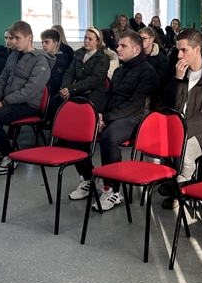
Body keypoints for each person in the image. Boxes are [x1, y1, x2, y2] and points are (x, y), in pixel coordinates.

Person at [68, 32, 158, 211]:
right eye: (118, 45)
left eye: (123, 46)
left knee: (109, 137)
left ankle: (112, 189)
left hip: (137, 118)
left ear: (136, 49)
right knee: (76, 131)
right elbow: (106, 96)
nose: (118, 49)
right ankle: (88, 178)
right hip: (115, 115)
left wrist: (107, 119)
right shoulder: (119, 71)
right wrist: (98, 115)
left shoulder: (147, 72)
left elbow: (135, 105)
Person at [0, 21, 54, 174]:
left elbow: (30, 91)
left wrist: (2, 103)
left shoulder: (41, 60)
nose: (13, 41)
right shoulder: (13, 56)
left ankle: (10, 155)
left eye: (17, 38)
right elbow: (1, 80)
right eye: (12, 38)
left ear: (29, 37)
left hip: (27, 105)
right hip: (5, 100)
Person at [160, 29, 202, 209]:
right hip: (178, 125)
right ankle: (177, 180)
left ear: (197, 49)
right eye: (177, 50)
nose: (179, 55)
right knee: (157, 145)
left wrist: (182, 131)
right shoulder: (179, 72)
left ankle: (180, 188)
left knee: (185, 150)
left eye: (184, 50)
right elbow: (169, 105)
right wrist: (178, 80)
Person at [49, 27, 110, 133]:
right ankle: (61, 133)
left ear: (97, 41)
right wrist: (65, 88)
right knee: (54, 103)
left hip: (93, 93)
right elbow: (70, 73)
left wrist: (70, 89)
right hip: (77, 90)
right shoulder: (79, 54)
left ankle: (71, 135)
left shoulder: (103, 58)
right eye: (85, 38)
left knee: (71, 107)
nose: (86, 41)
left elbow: (93, 80)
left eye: (90, 39)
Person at [40, 29, 70, 96]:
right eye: (42, 42)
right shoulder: (43, 58)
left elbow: (53, 84)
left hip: (51, 95)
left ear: (55, 44)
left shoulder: (60, 61)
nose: (43, 45)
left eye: (46, 42)